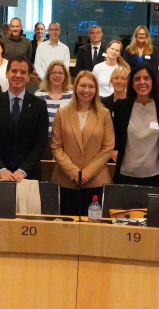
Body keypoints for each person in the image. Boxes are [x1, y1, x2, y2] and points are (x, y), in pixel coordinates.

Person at [51, 71, 115, 215]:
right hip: (67, 181)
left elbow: (108, 147)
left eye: (91, 87)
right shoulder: (62, 113)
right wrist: (74, 173)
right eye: (83, 85)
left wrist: (87, 173)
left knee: (94, 231)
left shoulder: (104, 114)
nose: (86, 90)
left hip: (96, 181)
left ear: (96, 90)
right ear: (75, 88)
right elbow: (56, 147)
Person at [0, 55, 50, 181]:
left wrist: (23, 170)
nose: (18, 75)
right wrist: (1, 169)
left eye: (23, 72)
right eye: (14, 71)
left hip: (28, 176)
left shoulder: (39, 105)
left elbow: (41, 142)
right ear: (7, 74)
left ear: (28, 77)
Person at [112, 63, 159, 186]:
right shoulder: (121, 108)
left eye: (146, 78)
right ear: (132, 83)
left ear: (153, 81)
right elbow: (116, 139)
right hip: (126, 175)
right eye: (137, 79)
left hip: (156, 176)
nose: (142, 82)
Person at [34, 60, 73, 141]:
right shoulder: (39, 95)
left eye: (60, 73)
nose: (57, 75)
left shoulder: (71, 95)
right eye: (53, 72)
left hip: (66, 140)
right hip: (44, 140)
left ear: (65, 76)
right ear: (48, 75)